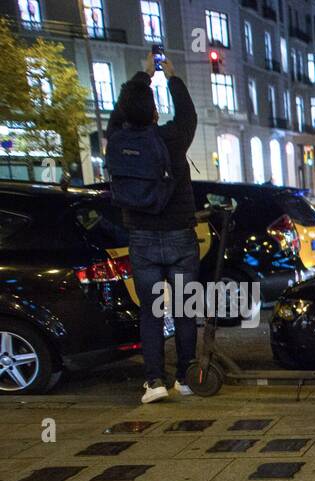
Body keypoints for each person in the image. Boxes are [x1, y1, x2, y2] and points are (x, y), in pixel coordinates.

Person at [106, 56, 198, 404]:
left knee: (152, 311)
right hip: (179, 234)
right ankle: (186, 375)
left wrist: (142, 76)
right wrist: (171, 77)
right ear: (156, 114)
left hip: (141, 237)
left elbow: (119, 112)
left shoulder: (116, 138)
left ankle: (155, 380)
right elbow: (188, 115)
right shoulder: (172, 138)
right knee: (186, 307)